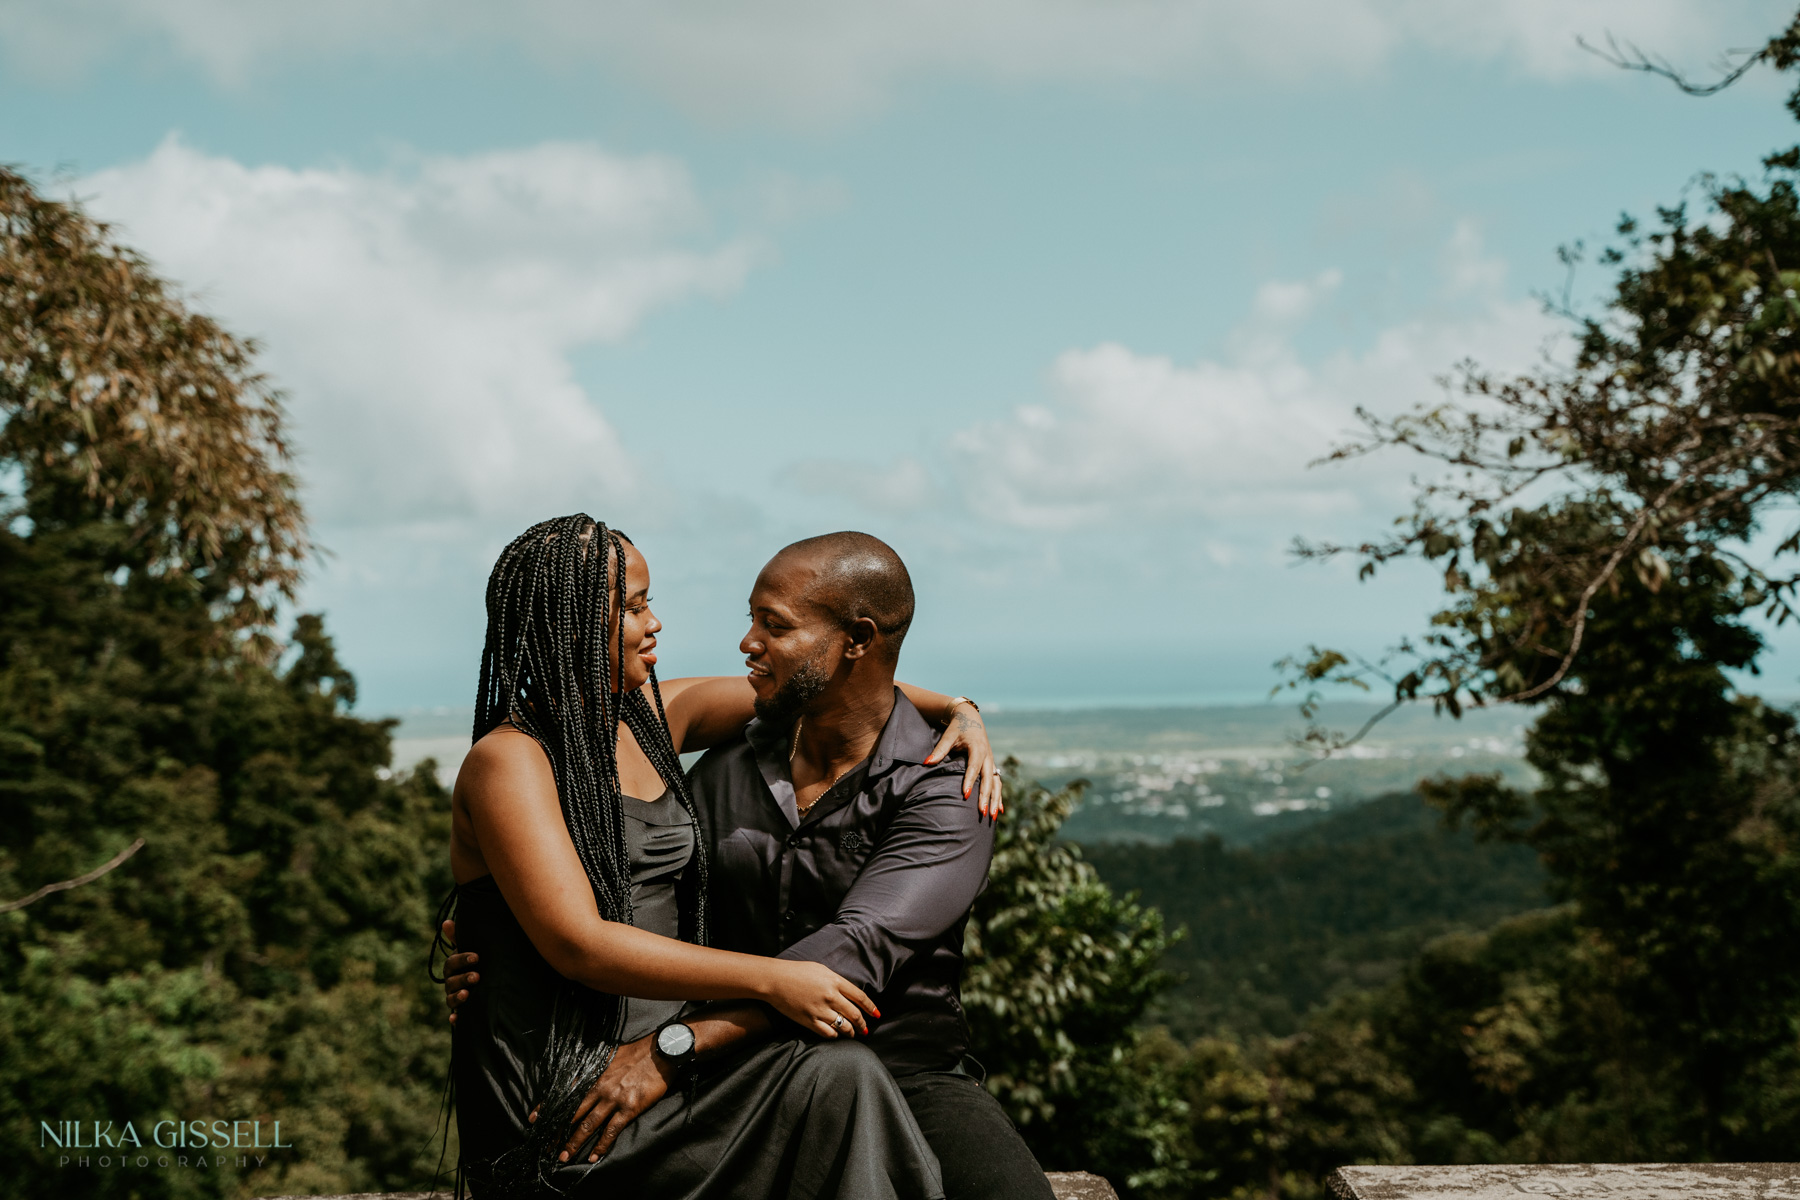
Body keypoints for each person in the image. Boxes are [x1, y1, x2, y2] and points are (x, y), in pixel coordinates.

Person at [446, 531, 1056, 1200]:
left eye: (773, 624)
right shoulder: (512, 760)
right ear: (569, 621)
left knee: (858, 1087)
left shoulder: (655, 718)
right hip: (579, 1090)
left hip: (762, 1059)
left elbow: (844, 687)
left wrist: (959, 709)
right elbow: (574, 941)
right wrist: (772, 982)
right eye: (635, 606)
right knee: (840, 1079)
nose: (656, 623)